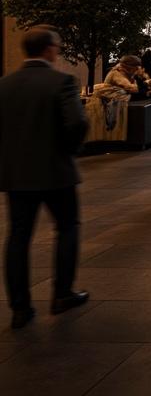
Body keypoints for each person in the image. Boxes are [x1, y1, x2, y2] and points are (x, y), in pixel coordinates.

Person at [0, 26, 90, 328]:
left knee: (17, 237)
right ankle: (62, 293)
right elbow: (77, 122)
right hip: (55, 172)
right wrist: (68, 151)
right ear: (50, 49)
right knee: (67, 226)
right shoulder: (61, 81)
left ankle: (20, 308)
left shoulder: (5, 84)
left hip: (16, 174)